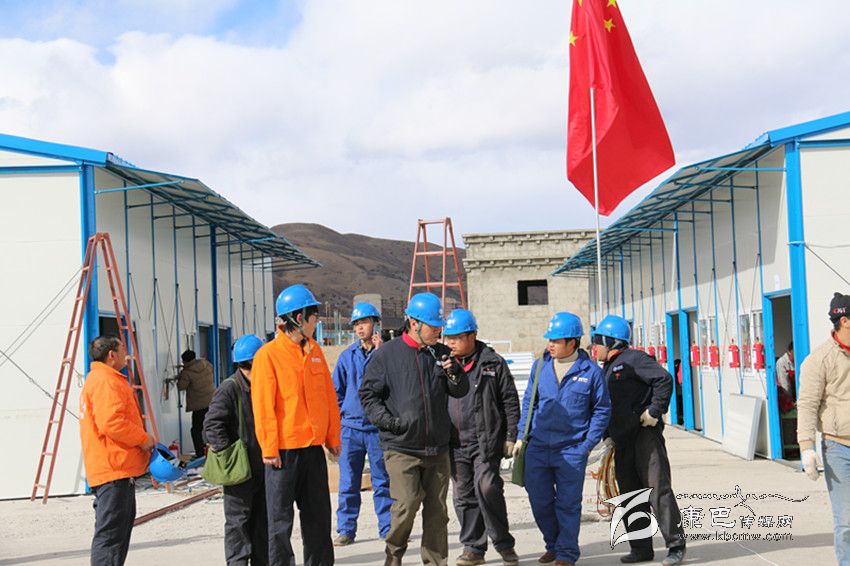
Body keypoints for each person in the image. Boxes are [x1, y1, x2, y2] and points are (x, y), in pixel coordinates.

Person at [359, 292, 470, 566]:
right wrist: (388, 422)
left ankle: (435, 562)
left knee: (437, 514)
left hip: (437, 447)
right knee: (405, 506)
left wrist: (455, 373)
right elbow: (369, 396)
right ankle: (394, 555)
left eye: (440, 326)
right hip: (401, 447)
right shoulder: (387, 355)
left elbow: (460, 390)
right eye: (433, 327)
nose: (439, 332)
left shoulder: (442, 354)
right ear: (414, 323)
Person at [251, 284, 342, 566]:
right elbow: (263, 406)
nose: (317, 322)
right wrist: (269, 448)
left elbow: (328, 397)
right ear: (298, 318)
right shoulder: (268, 355)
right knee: (280, 523)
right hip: (283, 453)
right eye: (314, 317)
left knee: (318, 519)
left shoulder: (315, 351)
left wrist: (333, 437)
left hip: (312, 449)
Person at [513, 312, 610, 566]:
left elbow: (601, 410)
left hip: (571, 450)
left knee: (568, 505)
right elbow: (529, 403)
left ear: (572, 342)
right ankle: (553, 545)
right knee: (540, 502)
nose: (550, 345)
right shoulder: (540, 367)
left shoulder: (591, 372)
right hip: (538, 447)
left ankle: (566, 553)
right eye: (550, 340)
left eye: (556, 340)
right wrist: (522, 436)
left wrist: (586, 445)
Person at [592, 314, 686, 566]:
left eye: (597, 340)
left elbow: (664, 379)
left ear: (611, 341)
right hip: (622, 441)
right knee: (631, 495)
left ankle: (676, 545)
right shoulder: (607, 369)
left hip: (645, 437)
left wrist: (655, 411)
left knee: (658, 491)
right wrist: (607, 436)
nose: (594, 346)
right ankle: (641, 549)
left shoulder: (635, 359)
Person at [444, 308, 520, 566]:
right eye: (448, 337)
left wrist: (511, 435)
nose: (451, 343)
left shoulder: (493, 363)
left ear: (472, 336)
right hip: (455, 444)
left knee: (487, 487)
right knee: (462, 496)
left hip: (485, 441)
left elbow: (509, 400)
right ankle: (474, 548)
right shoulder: (444, 365)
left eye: (457, 337)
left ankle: (504, 543)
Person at [79, 335, 155, 565]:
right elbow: (111, 422)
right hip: (113, 469)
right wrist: (144, 440)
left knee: (116, 534)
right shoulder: (105, 381)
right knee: (111, 536)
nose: (127, 355)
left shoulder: (101, 378)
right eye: (123, 350)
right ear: (111, 355)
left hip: (114, 468)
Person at [204, 334, 268, 565]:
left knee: (262, 521)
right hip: (240, 470)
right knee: (238, 522)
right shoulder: (229, 389)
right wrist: (229, 456)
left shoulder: (260, 385)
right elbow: (212, 425)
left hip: (263, 466)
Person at [332, 301, 392, 545]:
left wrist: (381, 352)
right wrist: (341, 419)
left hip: (377, 429)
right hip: (351, 429)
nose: (359, 327)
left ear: (376, 324)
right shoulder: (347, 357)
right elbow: (336, 392)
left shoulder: (387, 354)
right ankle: (346, 530)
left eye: (364, 322)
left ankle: (387, 529)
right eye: (356, 323)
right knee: (348, 482)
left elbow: (393, 385)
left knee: (382, 481)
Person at [798, 292, 850, 565]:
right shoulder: (819, 359)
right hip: (838, 448)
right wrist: (806, 448)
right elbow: (807, 405)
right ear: (845, 320)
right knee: (847, 522)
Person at [177, 349, 215, 458]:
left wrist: (180, 376)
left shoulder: (187, 372)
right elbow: (212, 369)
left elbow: (181, 386)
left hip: (199, 405)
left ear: (185, 361)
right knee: (212, 426)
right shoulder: (206, 364)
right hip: (212, 401)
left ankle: (200, 454)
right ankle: (213, 451)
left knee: (196, 430)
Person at [776, 341, 796, 413]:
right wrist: (791, 402)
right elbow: (785, 385)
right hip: (787, 397)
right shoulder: (782, 362)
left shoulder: (799, 360)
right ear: (789, 352)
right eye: (795, 352)